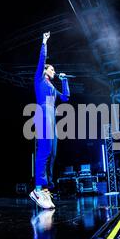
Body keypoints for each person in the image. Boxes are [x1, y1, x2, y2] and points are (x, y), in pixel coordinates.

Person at [29, 32, 70, 209]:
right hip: (43, 115)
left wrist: (65, 80)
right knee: (44, 152)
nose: (54, 71)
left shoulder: (52, 86)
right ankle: (38, 189)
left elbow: (66, 98)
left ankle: (46, 188)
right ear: (45, 70)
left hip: (52, 119)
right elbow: (42, 58)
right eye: (51, 69)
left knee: (52, 154)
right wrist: (44, 41)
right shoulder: (39, 79)